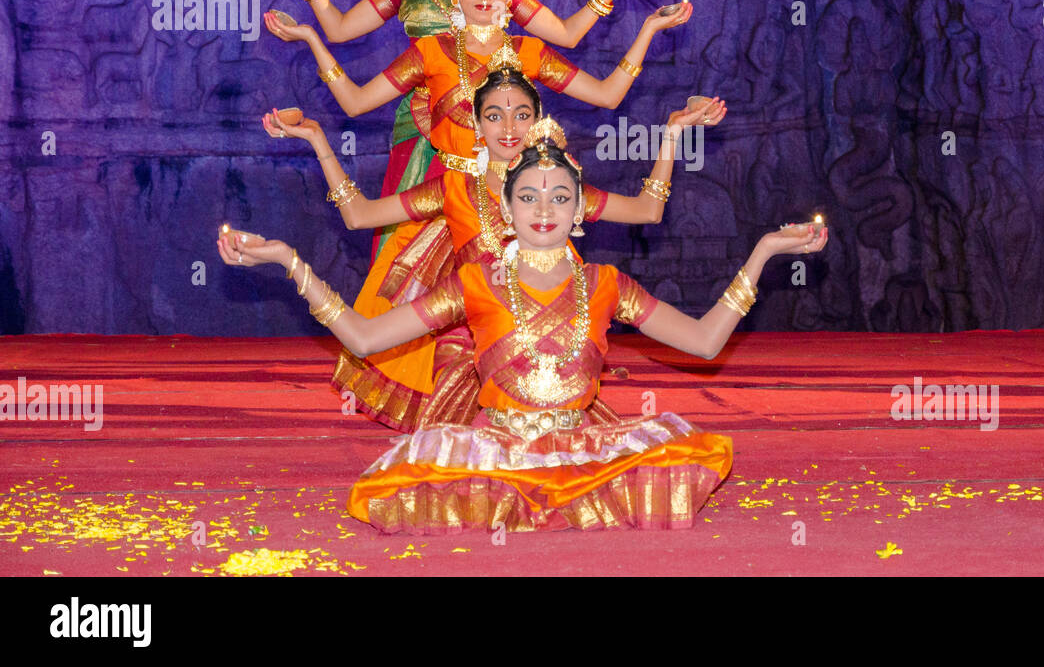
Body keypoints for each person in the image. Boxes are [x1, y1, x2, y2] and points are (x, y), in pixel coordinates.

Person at [217, 141, 828, 533]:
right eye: (529, 196)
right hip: (495, 458)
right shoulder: (474, 283)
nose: (544, 207)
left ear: (579, 211)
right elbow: (367, 337)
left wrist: (765, 251)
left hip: (586, 454)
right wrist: (290, 262)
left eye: (560, 196)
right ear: (507, 209)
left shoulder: (606, 282)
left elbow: (703, 343)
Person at [260, 70, 726, 430]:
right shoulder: (454, 189)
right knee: (467, 458)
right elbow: (359, 215)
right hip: (471, 336)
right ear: (477, 125)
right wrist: (319, 141)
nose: (509, 128)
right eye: (494, 116)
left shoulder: (559, 184)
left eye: (522, 114)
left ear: (538, 118)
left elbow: (646, 210)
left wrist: (671, 136)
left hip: (557, 329)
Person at [248, 0, 665, 258]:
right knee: (406, 242)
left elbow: (572, 40)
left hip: (502, 140)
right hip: (424, 133)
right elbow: (339, 34)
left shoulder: (516, 25)